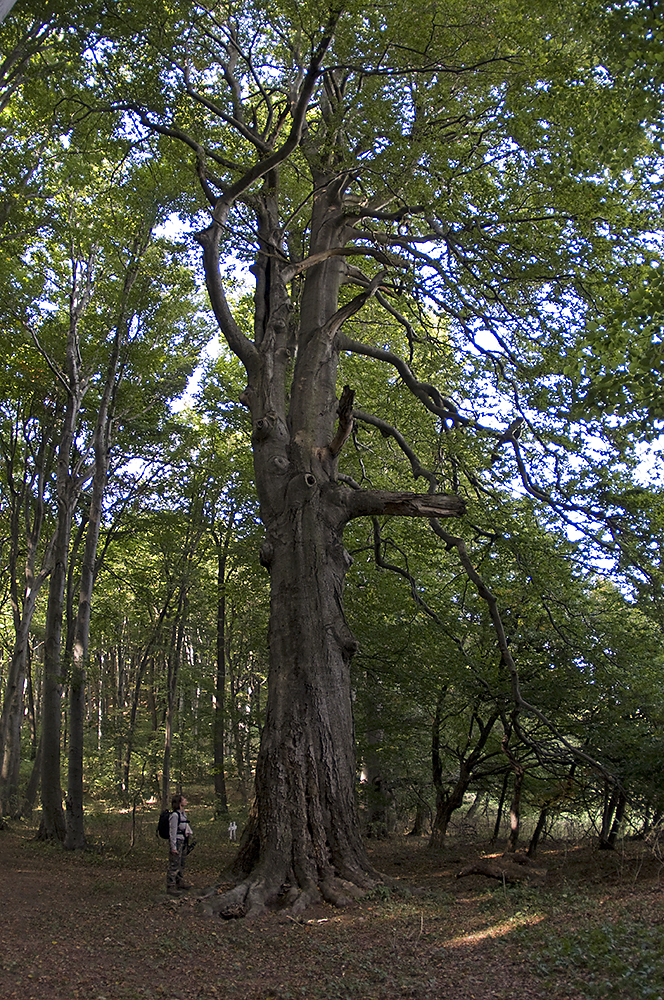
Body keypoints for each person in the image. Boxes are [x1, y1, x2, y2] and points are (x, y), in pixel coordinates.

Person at [166, 793, 193, 895]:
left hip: (183, 841)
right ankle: (170, 886)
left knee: (181, 862)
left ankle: (179, 882)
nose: (185, 800)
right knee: (174, 864)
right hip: (177, 841)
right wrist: (173, 847)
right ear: (179, 802)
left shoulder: (183, 814)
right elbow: (172, 832)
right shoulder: (174, 815)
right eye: (183, 799)